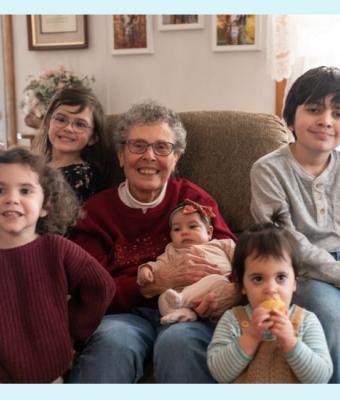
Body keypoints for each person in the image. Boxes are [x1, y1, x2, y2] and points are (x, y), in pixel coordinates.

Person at [66, 100, 237, 383]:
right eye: (137, 146)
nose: (149, 156)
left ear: (176, 158)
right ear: (120, 155)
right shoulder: (95, 213)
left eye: (161, 147)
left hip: (190, 312)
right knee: (113, 343)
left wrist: (230, 290)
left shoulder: (195, 201)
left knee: (179, 344)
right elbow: (88, 291)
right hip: (124, 316)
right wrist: (153, 283)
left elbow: (236, 258)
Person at [250, 66, 340, 383]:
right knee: (328, 313)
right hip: (300, 268)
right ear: (290, 118)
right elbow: (286, 240)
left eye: (337, 112)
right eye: (314, 109)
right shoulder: (268, 170)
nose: (326, 120)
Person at [0, 147, 115, 383]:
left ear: (45, 205)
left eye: (25, 190)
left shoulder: (57, 248)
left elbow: (102, 286)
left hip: (50, 377)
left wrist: (72, 329)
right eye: (0, 189)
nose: (11, 198)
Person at [207, 215, 333, 383]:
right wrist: (250, 337)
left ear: (294, 283)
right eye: (258, 279)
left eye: (280, 277)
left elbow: (321, 378)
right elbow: (219, 373)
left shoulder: (306, 321)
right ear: (243, 286)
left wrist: (291, 342)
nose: (271, 289)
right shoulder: (233, 320)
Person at [137, 198, 236, 325]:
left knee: (216, 279)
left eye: (192, 226)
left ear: (209, 232)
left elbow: (242, 260)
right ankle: (184, 313)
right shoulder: (171, 251)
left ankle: (182, 301)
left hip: (218, 291)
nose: (184, 232)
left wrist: (239, 285)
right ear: (171, 236)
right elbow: (159, 266)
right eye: (177, 229)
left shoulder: (222, 244)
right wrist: (146, 269)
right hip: (182, 295)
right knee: (163, 298)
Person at [33, 87, 115, 204]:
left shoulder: (81, 176)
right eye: (61, 119)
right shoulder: (38, 164)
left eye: (80, 124)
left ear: (93, 138)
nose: (68, 128)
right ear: (47, 123)